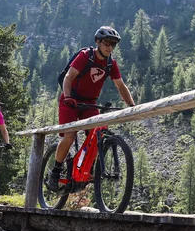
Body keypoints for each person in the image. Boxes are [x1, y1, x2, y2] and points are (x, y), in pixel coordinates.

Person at [46, 26, 135, 191]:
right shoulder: (85, 56)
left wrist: (131, 105)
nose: (109, 47)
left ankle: (89, 169)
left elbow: (121, 86)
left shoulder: (110, 64)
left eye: (113, 45)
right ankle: (56, 172)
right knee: (70, 135)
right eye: (107, 43)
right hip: (70, 101)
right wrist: (67, 97)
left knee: (98, 134)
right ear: (98, 42)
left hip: (89, 104)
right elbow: (68, 77)